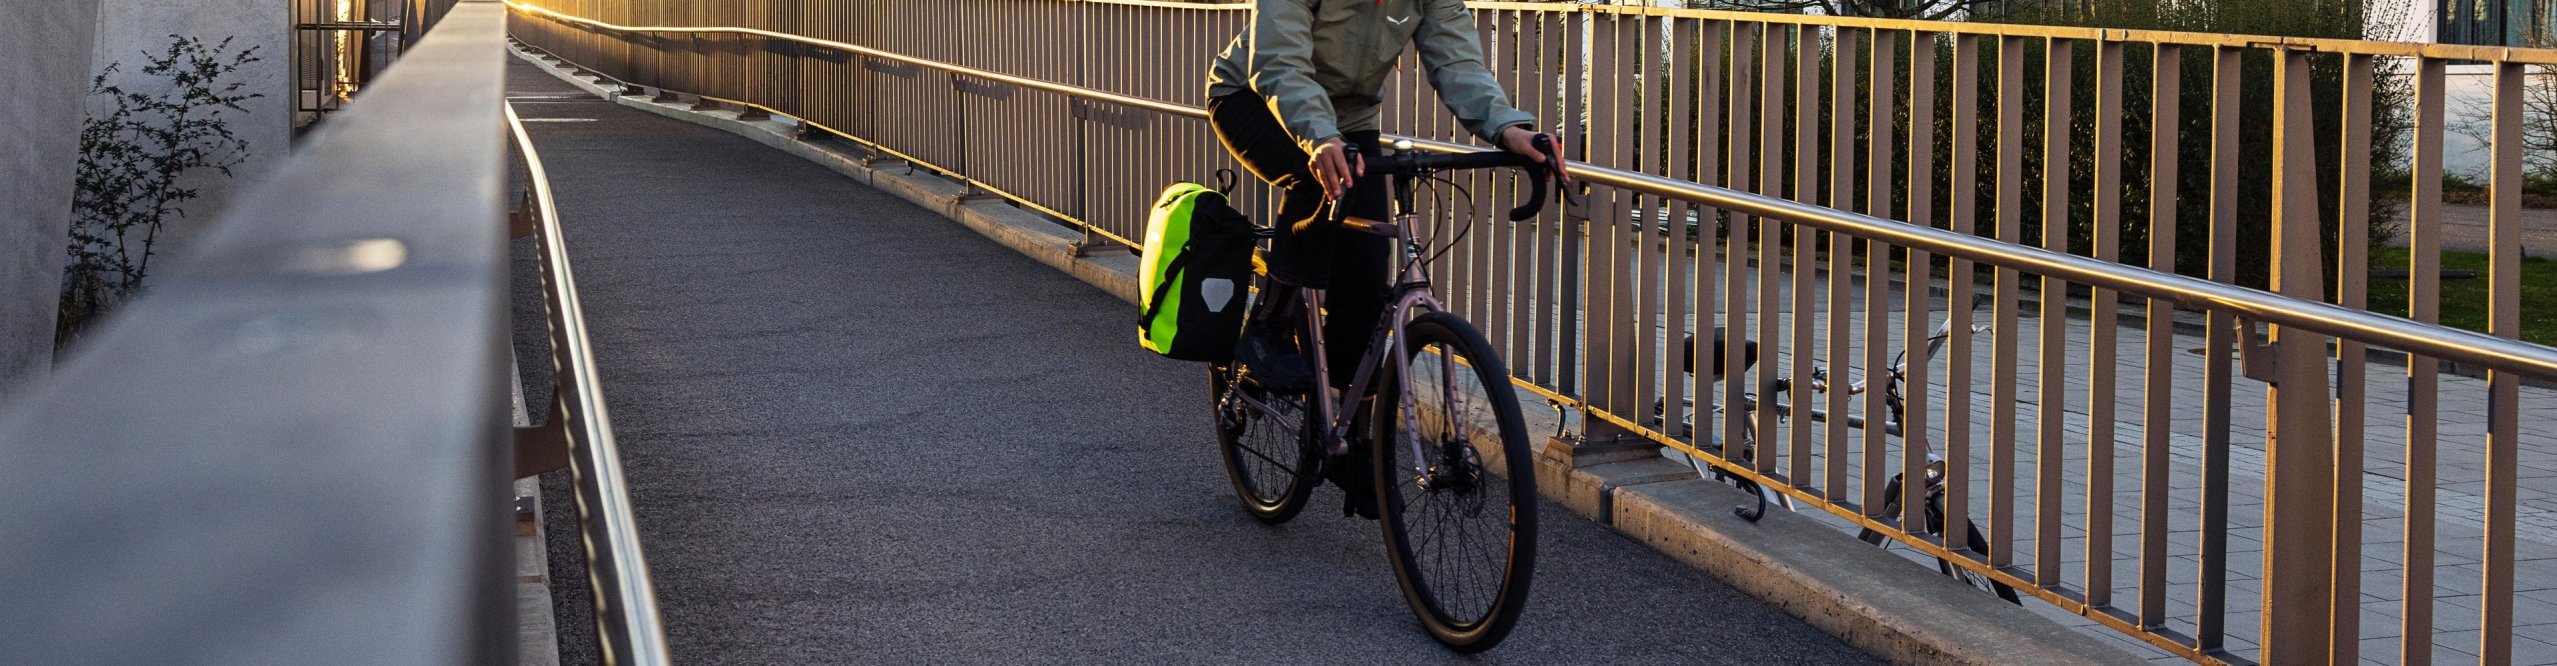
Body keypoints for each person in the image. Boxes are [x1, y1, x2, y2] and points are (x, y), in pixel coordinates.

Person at [1206, 0, 1565, 518]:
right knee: (1315, 182)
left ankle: (1356, 444)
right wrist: (1319, 137)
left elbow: (1457, 62)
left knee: (1366, 283)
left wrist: (1509, 129)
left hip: (1350, 122)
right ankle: (1270, 324)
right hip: (1252, 98)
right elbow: (1279, 60)